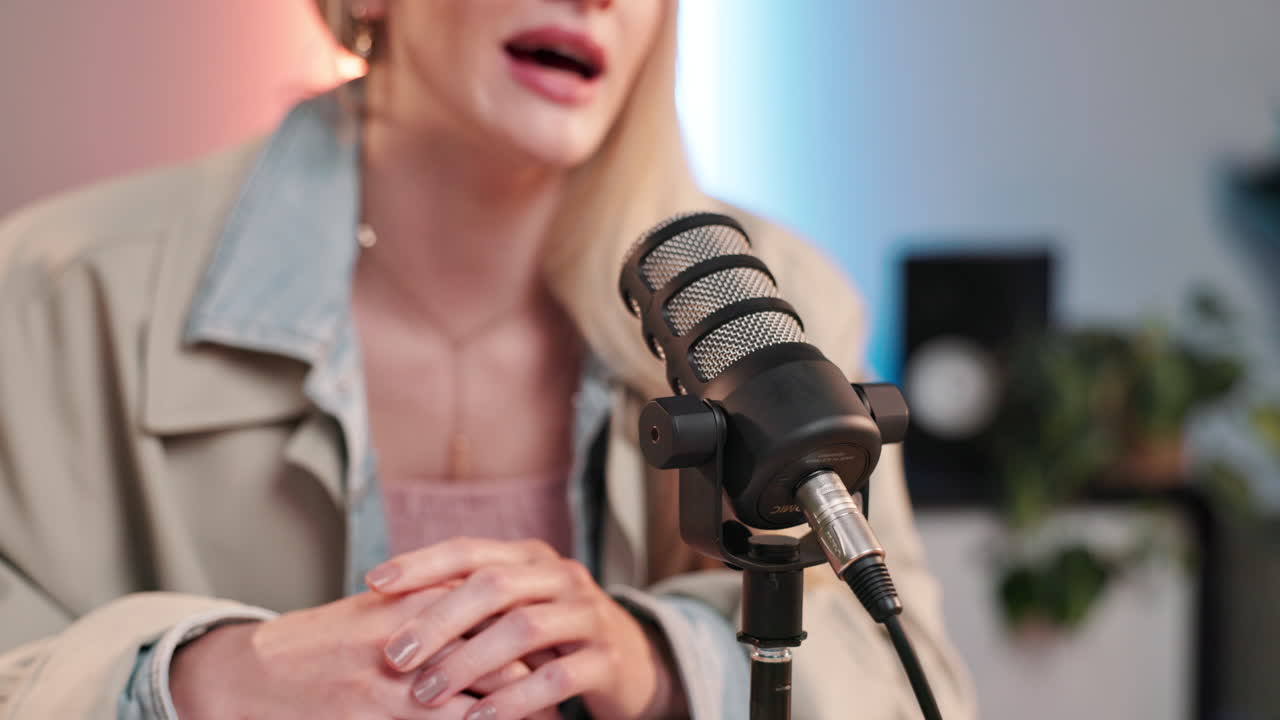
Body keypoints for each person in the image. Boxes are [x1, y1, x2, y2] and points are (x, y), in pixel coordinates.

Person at [0, 1, 976, 718]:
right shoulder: (54, 294)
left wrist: (657, 662)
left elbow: (908, 677)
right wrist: (200, 683)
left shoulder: (780, 306)